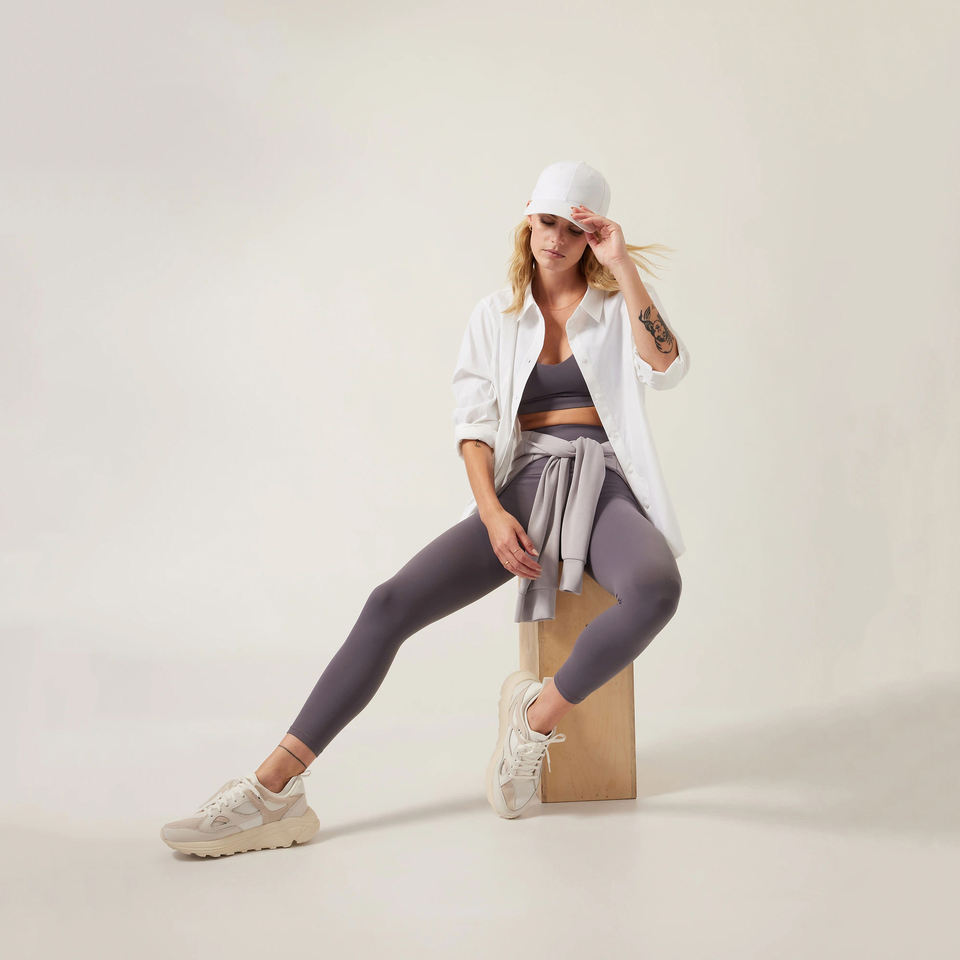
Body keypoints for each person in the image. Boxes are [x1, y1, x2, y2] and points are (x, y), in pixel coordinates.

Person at [160, 160, 690, 856]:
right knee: (389, 603)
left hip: (605, 481)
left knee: (656, 590)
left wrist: (623, 266)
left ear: (593, 237)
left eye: (574, 229)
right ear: (528, 219)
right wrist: (492, 514)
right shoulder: (495, 316)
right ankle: (273, 790)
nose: (556, 240)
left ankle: (534, 720)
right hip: (525, 486)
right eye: (546, 222)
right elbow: (474, 427)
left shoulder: (619, 306)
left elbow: (667, 366)